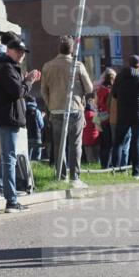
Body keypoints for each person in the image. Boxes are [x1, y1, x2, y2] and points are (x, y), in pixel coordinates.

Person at [0, 37, 39, 212]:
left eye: (23, 52)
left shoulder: (7, 67)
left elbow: (17, 91)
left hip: (7, 117)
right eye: (18, 51)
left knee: (6, 157)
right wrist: (29, 80)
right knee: (9, 158)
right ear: (9, 51)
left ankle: (0, 189)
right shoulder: (6, 67)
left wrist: (25, 81)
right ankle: (11, 201)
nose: (21, 55)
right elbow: (17, 92)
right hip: (7, 118)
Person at [41, 35, 94, 187]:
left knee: (59, 146)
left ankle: (61, 176)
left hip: (56, 110)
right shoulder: (77, 65)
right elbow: (89, 88)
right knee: (75, 144)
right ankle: (74, 178)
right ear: (72, 49)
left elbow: (44, 90)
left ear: (59, 48)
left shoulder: (47, 66)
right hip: (74, 108)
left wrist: (50, 105)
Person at [112, 55, 139, 179]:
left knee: (118, 142)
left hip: (123, 113)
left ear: (128, 63)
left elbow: (114, 94)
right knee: (136, 142)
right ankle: (136, 172)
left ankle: (115, 170)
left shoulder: (119, 77)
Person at [95, 69, 115, 169]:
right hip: (108, 119)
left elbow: (96, 103)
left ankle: (103, 165)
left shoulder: (99, 90)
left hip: (100, 118)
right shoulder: (110, 91)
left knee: (102, 143)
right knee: (109, 144)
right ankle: (107, 166)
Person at [82, 98, 100, 165]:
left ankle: (90, 166)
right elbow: (98, 127)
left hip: (86, 139)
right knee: (96, 155)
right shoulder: (95, 115)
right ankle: (97, 166)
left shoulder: (83, 116)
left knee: (89, 156)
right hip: (95, 138)